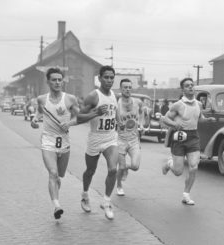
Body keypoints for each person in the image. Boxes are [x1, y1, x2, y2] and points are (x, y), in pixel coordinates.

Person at [31, 67, 79, 219]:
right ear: (48, 82)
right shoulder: (42, 99)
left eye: (60, 79)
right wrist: (34, 119)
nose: (57, 82)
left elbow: (80, 117)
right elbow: (39, 111)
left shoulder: (70, 99)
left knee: (59, 176)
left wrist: (69, 123)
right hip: (48, 141)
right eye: (54, 80)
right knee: (52, 173)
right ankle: (57, 205)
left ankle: (55, 191)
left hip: (64, 143)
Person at [161, 78, 216, 205]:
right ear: (183, 89)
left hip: (193, 137)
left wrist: (207, 120)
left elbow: (199, 117)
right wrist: (175, 124)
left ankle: (186, 194)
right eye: (187, 86)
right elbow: (165, 119)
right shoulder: (178, 105)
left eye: (192, 85)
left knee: (194, 166)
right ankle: (170, 164)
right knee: (178, 171)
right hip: (179, 137)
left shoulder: (199, 104)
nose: (191, 87)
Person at [76, 65, 119, 220]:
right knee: (90, 171)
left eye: (111, 77)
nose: (109, 80)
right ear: (99, 78)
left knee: (113, 169)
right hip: (95, 138)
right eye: (106, 77)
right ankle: (85, 194)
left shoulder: (115, 95)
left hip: (110, 138)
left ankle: (106, 202)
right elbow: (79, 117)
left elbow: (115, 114)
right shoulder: (93, 96)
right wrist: (95, 112)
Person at [115, 78, 145, 196]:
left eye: (129, 87)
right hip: (120, 140)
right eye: (125, 87)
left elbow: (143, 112)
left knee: (135, 166)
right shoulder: (116, 103)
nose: (127, 89)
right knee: (120, 167)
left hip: (133, 140)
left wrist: (141, 124)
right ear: (121, 89)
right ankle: (119, 185)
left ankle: (125, 167)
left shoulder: (137, 102)